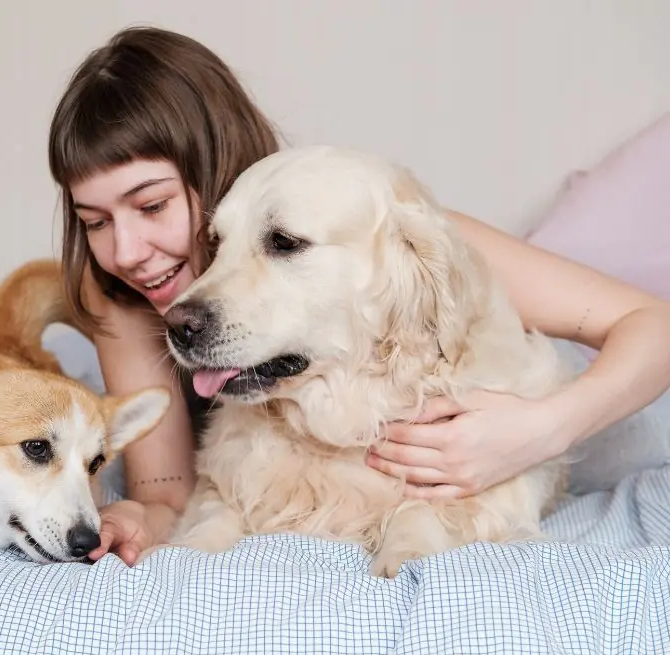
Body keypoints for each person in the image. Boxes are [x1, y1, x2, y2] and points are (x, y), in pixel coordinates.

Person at [46, 26, 670, 566]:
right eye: (95, 221)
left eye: (152, 205)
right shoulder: (121, 293)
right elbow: (165, 491)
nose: (125, 251)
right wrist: (139, 519)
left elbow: (652, 323)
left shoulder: (393, 229)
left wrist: (540, 430)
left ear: (214, 171)